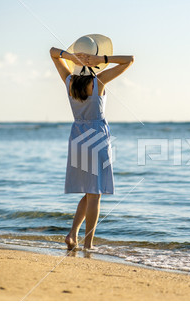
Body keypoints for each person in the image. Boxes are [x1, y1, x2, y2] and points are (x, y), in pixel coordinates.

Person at [49, 44, 134, 250]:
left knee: (89, 192)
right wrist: (102, 59)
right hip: (97, 137)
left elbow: (52, 52)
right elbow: (129, 59)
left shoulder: (69, 81)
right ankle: (88, 244)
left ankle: (72, 234)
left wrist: (71, 57)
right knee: (95, 193)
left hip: (77, 136)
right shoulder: (99, 81)